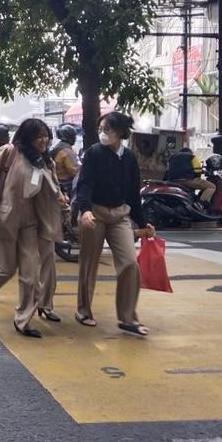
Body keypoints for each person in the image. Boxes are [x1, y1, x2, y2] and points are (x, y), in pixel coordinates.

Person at [0, 118, 65, 339]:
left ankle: (23, 320)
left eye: (46, 136)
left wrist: (60, 197)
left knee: (31, 274)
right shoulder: (9, 152)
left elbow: (53, 187)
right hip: (4, 219)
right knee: (6, 268)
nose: (44, 140)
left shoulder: (45, 161)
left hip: (32, 224)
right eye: (39, 136)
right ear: (27, 137)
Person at [74, 111, 156, 336]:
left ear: (120, 132)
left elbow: (133, 191)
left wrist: (143, 222)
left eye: (107, 130)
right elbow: (85, 184)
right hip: (95, 213)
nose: (103, 133)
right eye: (101, 129)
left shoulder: (129, 157)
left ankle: (127, 318)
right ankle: (83, 310)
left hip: (120, 214)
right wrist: (85, 210)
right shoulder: (94, 153)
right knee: (89, 263)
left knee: (130, 263)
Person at [49, 124, 80, 195]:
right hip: (66, 185)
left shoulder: (58, 147)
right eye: (74, 136)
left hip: (56, 182)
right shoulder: (67, 151)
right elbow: (75, 171)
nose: (75, 138)